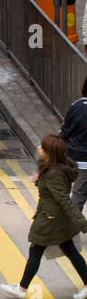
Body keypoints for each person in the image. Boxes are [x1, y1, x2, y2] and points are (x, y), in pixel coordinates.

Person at [0, 136, 87, 299]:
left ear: (49, 153)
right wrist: (38, 181)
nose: (39, 147)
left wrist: (82, 223)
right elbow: (52, 192)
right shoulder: (53, 167)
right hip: (55, 218)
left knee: (36, 250)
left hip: (50, 220)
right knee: (70, 251)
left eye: (42, 147)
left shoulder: (54, 173)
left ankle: (22, 288)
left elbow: (64, 200)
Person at [59, 75, 87, 212]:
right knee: (78, 196)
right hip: (85, 163)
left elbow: (64, 130)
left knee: (65, 193)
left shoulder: (75, 105)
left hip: (70, 157)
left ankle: (66, 229)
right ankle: (73, 229)